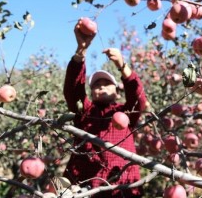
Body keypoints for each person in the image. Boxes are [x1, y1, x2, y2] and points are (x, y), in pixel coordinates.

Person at [63, 19, 147, 197]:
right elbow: (73, 89)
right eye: (96, 85)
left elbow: (137, 97)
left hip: (122, 186)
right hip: (85, 185)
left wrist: (122, 66)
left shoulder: (125, 113)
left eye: (107, 83)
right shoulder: (85, 111)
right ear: (91, 92)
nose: (101, 86)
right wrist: (81, 50)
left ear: (117, 92)